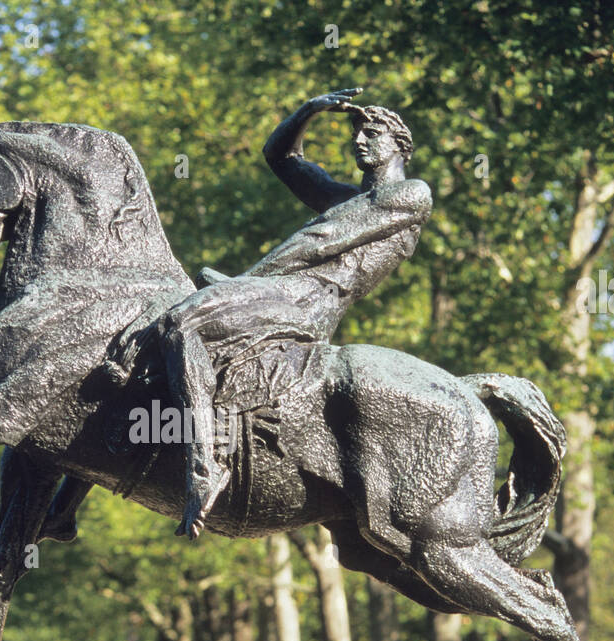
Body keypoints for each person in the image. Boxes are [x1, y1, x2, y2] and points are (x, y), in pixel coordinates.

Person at [43, 88, 432, 540]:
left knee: (180, 323)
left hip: (308, 300)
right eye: (357, 132)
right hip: (283, 290)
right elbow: (281, 158)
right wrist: (308, 110)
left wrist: (245, 281)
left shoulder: (410, 195)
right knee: (146, 337)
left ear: (399, 144)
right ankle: (63, 510)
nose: (359, 141)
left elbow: (319, 243)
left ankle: (205, 462)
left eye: (372, 132)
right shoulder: (344, 197)